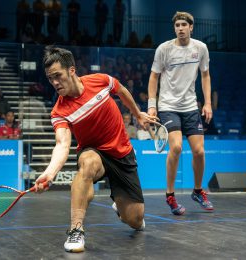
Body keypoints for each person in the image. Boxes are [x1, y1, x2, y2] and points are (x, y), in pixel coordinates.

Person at [34, 46, 158, 253]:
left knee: (136, 220)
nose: (54, 82)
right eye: (50, 78)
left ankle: (120, 207)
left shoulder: (100, 81)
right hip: (94, 151)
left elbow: (122, 91)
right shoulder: (59, 111)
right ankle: (76, 229)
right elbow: (62, 143)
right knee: (88, 164)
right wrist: (50, 173)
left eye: (58, 75)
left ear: (71, 70)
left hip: (122, 154)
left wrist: (137, 114)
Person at [147, 11, 214, 215]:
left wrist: (208, 103)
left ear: (191, 27)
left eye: (184, 25)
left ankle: (197, 190)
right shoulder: (164, 49)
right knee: (175, 147)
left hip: (191, 107)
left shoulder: (200, 48)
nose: (181, 28)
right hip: (168, 106)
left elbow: (205, 76)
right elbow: (153, 78)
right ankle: (170, 195)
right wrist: (152, 105)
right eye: (177, 25)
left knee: (199, 151)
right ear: (174, 28)